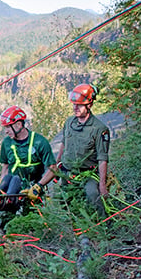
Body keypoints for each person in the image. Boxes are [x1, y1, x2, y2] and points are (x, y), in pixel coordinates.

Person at [56, 83, 110, 217]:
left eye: (79, 105)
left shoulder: (99, 129)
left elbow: (102, 159)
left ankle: (105, 228)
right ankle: (75, 232)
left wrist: (102, 185)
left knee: (92, 195)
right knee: (64, 202)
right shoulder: (69, 122)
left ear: (89, 105)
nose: (75, 108)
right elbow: (64, 144)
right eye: (74, 104)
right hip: (68, 173)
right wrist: (56, 165)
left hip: (88, 174)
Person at [0, 105, 57, 201]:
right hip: (12, 191)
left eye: (8, 127)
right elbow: (5, 166)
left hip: (33, 192)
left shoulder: (39, 142)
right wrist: (2, 185)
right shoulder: (6, 143)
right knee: (13, 180)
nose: (6, 131)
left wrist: (38, 186)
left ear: (18, 124)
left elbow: (53, 168)